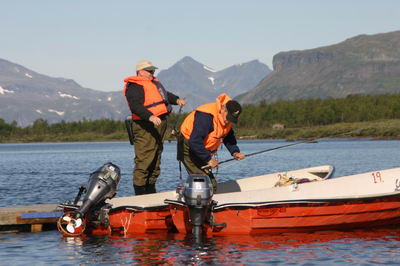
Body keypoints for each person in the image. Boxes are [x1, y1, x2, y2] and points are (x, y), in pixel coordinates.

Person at [124, 60, 186, 195]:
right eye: (149, 70)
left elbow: (165, 95)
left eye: (153, 70)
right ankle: (140, 195)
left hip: (159, 125)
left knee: (156, 158)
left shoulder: (154, 83)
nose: (152, 73)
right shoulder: (134, 86)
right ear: (140, 71)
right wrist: (150, 117)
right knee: (144, 160)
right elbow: (135, 106)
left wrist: (176, 100)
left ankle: (151, 191)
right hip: (145, 126)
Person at [178, 93, 245, 192]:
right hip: (188, 146)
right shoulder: (206, 116)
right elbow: (194, 141)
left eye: (232, 119)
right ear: (223, 109)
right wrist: (208, 159)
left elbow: (228, 137)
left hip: (201, 149)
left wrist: (235, 152)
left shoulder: (227, 120)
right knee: (206, 184)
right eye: (229, 118)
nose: (229, 121)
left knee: (210, 185)